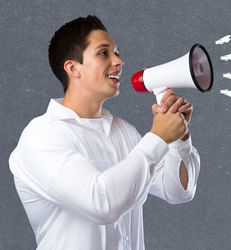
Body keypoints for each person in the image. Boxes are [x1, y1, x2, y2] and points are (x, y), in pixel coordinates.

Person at [9, 15, 200, 250]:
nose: (119, 61)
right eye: (103, 53)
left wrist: (178, 137)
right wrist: (158, 137)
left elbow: (178, 191)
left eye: (117, 52)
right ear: (72, 68)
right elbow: (101, 204)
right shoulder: (41, 136)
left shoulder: (125, 132)